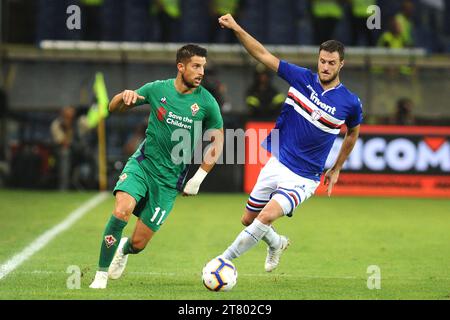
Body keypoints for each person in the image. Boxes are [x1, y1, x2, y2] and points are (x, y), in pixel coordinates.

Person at [215, 14, 363, 272]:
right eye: (322, 61)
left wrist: (337, 167)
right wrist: (237, 27)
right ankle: (277, 243)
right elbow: (261, 54)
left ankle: (222, 261)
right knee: (248, 219)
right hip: (278, 161)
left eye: (331, 63)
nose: (325, 67)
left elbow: (352, 133)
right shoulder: (301, 78)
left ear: (342, 64)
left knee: (265, 217)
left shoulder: (350, 102)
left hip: (304, 177)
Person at [89, 44, 224, 289]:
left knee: (139, 244)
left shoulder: (207, 103)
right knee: (122, 210)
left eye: (203, 66)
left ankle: (124, 248)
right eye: (196, 66)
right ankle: (100, 275)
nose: (201, 71)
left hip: (169, 181)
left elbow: (219, 140)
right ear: (180, 67)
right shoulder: (156, 89)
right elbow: (113, 108)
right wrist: (123, 96)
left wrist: (198, 177)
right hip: (143, 165)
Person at [50, 106, 76, 190]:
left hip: (76, 149)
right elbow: (62, 142)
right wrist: (67, 128)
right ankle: (63, 187)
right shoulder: (57, 124)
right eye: (69, 111)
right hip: (58, 151)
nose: (71, 113)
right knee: (65, 153)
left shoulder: (75, 122)